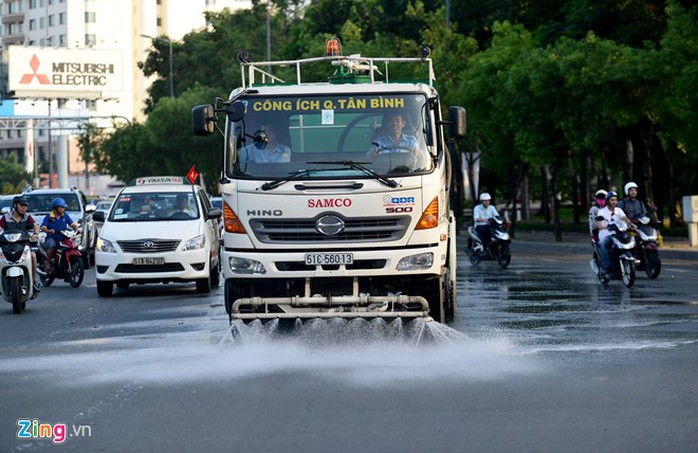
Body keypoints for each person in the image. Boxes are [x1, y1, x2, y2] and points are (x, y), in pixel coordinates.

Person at [0, 196, 40, 291]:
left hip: (24, 246)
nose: (24, 208)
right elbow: (0, 228)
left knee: (33, 256)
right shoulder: (5, 218)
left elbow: (35, 226)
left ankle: (32, 280)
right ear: (15, 205)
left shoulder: (27, 217)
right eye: (22, 205)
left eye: (25, 206)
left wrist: (35, 234)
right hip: (7, 246)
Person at [596, 191, 633, 276]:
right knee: (602, 244)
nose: (614, 202)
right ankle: (606, 266)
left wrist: (631, 224)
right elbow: (599, 225)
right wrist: (606, 227)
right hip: (606, 234)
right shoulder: (602, 212)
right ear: (607, 201)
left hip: (618, 234)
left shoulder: (619, 210)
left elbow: (624, 218)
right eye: (612, 200)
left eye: (616, 200)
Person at [41, 197, 79, 275]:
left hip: (63, 237)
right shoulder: (49, 217)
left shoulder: (65, 216)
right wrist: (49, 230)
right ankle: (48, 263)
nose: (63, 209)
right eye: (62, 207)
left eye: (63, 207)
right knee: (52, 246)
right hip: (52, 237)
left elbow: (71, 223)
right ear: (56, 208)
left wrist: (76, 228)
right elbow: (43, 227)